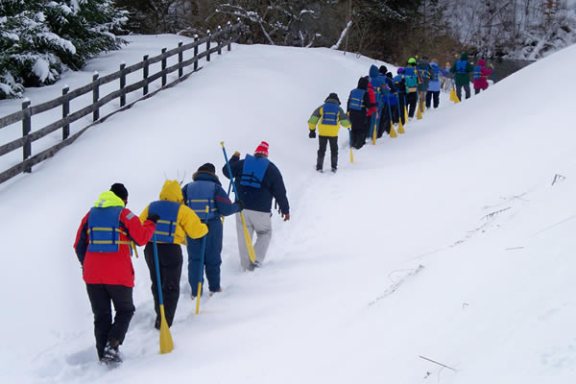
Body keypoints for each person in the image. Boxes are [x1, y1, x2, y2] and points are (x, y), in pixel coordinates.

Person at [74, 183, 157, 364]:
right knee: (125, 310)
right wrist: (151, 223)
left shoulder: (90, 215)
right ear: (124, 199)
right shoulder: (124, 214)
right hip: (118, 274)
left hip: (92, 275)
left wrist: (86, 264)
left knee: (101, 315)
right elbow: (141, 238)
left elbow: (78, 245)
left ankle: (103, 357)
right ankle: (112, 345)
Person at [139, 180, 207, 328]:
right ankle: (166, 321)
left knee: (157, 282)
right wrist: (204, 228)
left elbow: (139, 224)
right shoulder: (182, 210)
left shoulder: (152, 206)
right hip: (170, 250)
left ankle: (160, 314)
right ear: (178, 194)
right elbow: (195, 232)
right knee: (171, 285)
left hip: (151, 248)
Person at [222, 141, 290, 271]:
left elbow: (227, 171)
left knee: (243, 236)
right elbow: (280, 192)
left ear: (255, 153)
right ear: (266, 155)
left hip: (240, 208)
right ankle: (256, 261)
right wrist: (285, 210)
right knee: (265, 233)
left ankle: (246, 265)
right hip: (261, 210)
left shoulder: (242, 164)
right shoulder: (271, 169)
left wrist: (234, 158)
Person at [182, 163, 242, 297]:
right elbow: (226, 210)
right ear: (212, 174)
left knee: (195, 260)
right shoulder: (216, 188)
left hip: (192, 227)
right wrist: (237, 206)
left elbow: (180, 208)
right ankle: (214, 289)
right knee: (213, 258)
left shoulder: (187, 188)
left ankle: (195, 293)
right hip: (212, 227)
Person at [307, 93, 351, 172]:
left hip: (322, 132)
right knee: (334, 150)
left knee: (321, 150)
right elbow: (345, 123)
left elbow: (313, 120)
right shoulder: (339, 109)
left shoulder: (322, 107)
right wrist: (349, 124)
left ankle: (319, 167)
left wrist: (312, 130)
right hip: (333, 133)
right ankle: (334, 167)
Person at [346, 76, 374, 149]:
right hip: (361, 113)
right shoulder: (365, 93)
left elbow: (348, 102)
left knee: (354, 127)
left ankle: (353, 142)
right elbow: (368, 104)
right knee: (361, 129)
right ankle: (359, 144)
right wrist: (373, 105)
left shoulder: (353, 91)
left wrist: (348, 111)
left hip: (352, 112)